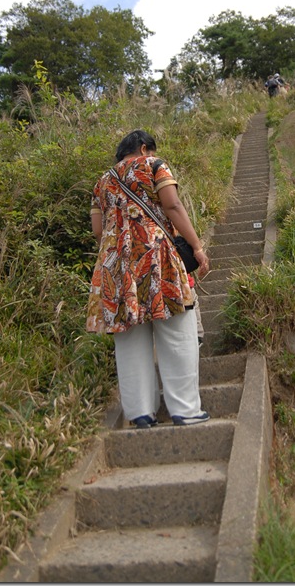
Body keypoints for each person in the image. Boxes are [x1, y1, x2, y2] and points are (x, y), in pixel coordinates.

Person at [86, 129, 210, 428]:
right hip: (156, 256)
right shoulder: (154, 165)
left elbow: (98, 231)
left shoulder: (102, 182)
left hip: (114, 265)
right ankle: (185, 410)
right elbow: (173, 206)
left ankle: (140, 413)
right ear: (144, 148)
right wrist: (196, 246)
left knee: (129, 339)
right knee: (177, 333)